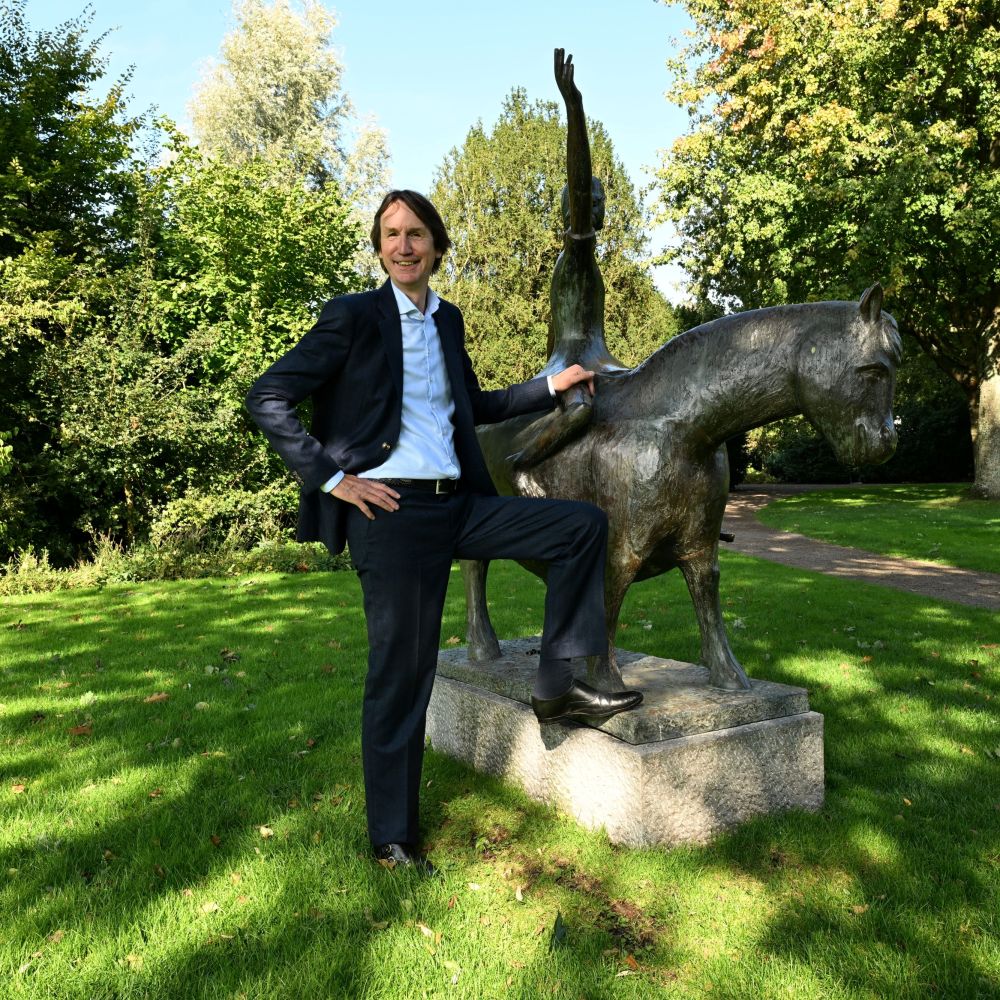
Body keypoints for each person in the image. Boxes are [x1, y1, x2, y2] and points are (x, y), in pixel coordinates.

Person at [246, 190, 643, 873]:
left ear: (436, 246)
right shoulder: (353, 317)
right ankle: (393, 840)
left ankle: (555, 684)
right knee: (403, 677)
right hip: (390, 516)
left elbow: (474, 405)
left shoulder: (447, 321)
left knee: (580, 526)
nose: (404, 246)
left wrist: (552, 386)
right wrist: (334, 480)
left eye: (417, 234)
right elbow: (268, 396)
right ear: (379, 248)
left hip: (457, 505)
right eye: (391, 234)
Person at [508, 49, 626, 469]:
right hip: (575, 360)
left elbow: (551, 330)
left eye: (598, 200)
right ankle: (521, 465)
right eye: (588, 200)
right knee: (580, 410)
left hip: (597, 356)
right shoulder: (576, 256)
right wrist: (574, 107)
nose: (595, 205)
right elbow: (577, 184)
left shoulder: (578, 267)